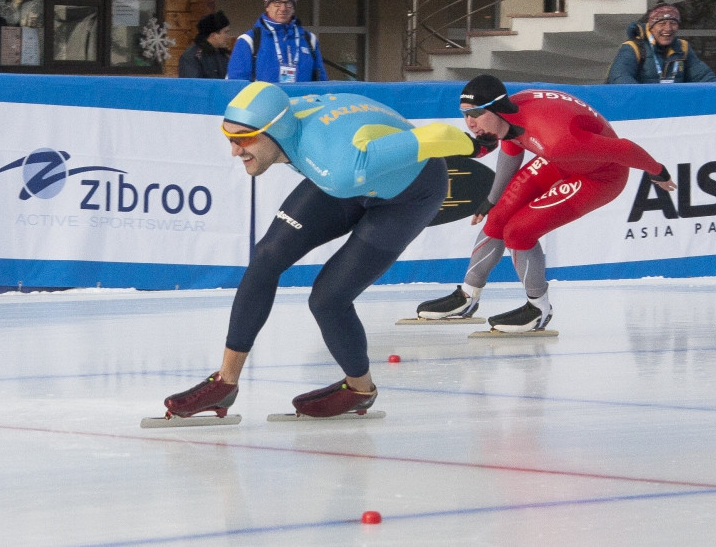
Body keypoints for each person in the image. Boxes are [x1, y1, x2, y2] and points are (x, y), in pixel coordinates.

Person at [160, 81, 493, 421]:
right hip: (349, 167)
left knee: (327, 299)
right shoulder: (293, 122)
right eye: (229, 138)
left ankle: (360, 389)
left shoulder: (338, 168)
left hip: (408, 193)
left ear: (275, 130)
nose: (234, 150)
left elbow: (432, 137)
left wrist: (477, 146)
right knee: (266, 258)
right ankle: (225, 383)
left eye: (244, 139)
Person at [416, 74, 677, 331]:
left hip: (600, 177)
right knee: (497, 217)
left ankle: (538, 309)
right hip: (560, 159)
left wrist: (658, 172)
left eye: (475, 114)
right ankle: (467, 297)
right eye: (464, 114)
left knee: (518, 232)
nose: (469, 123)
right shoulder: (510, 117)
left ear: (496, 110)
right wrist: (491, 199)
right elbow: (511, 151)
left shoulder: (558, 142)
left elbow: (625, 149)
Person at [226, 0, 327, 83]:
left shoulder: (309, 40)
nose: (283, 8)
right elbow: (235, 84)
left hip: (302, 99)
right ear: (267, 7)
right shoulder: (249, 40)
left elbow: (321, 82)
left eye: (288, 3)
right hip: (263, 99)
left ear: (293, 8)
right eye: (277, 3)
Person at [606, 1, 716, 84]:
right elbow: (619, 77)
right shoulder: (633, 47)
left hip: (672, 111)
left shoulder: (683, 48)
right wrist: (644, 99)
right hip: (643, 111)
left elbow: (704, 77)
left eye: (673, 23)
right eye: (662, 23)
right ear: (651, 27)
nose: (668, 29)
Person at [178, 10, 232, 78]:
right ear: (213, 35)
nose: (228, 36)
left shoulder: (224, 55)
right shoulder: (193, 57)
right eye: (226, 32)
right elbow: (191, 85)